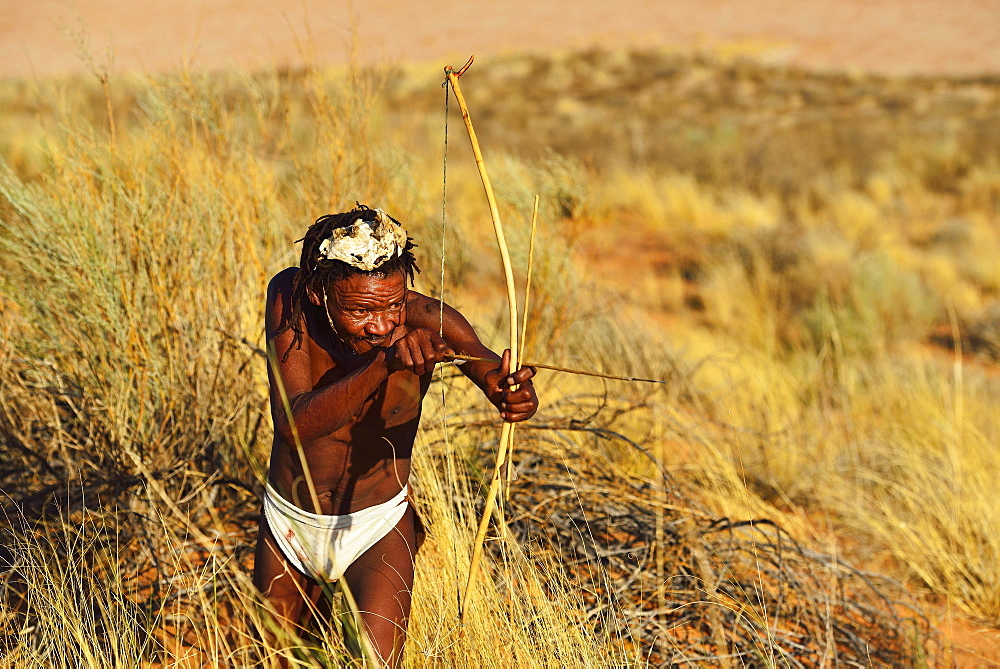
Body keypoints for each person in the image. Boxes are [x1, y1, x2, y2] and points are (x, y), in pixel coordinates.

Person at [253, 204, 538, 666]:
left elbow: (494, 377)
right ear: (320, 296)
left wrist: (514, 396)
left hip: (376, 524)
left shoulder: (429, 321)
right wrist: (384, 363)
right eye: (362, 310)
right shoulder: (290, 301)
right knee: (277, 660)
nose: (383, 324)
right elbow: (293, 424)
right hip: (290, 523)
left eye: (393, 304)